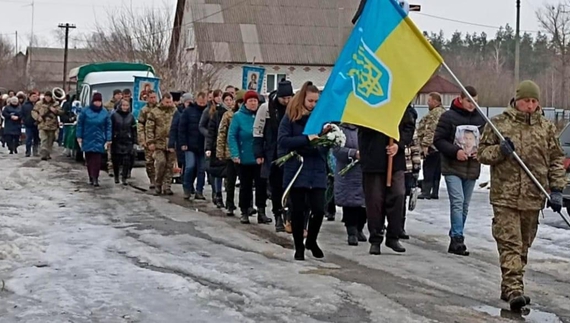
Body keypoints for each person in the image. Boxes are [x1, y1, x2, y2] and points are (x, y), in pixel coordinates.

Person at [478, 80, 566, 311]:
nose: (530, 105)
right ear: (517, 100)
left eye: (534, 101)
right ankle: (515, 289)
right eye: (526, 100)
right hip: (505, 196)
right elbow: (482, 153)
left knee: (524, 245)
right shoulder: (499, 124)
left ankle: (509, 285)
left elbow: (556, 159)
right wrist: (500, 151)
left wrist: (557, 189)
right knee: (510, 243)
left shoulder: (546, 128)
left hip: (533, 196)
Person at [434, 86, 486, 256]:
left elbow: (486, 141)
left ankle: (455, 234)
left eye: (475, 102)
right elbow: (439, 140)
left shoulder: (481, 119)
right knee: (457, 202)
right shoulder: (448, 117)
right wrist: (455, 152)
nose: (472, 105)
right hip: (452, 166)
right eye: (469, 101)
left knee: (464, 205)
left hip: (472, 168)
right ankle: (458, 238)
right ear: (461, 99)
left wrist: (482, 152)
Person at [277, 81, 327, 261]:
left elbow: (324, 143)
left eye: (316, 101)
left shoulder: (320, 118)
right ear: (302, 99)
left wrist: (327, 140)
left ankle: (311, 240)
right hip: (297, 168)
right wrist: (306, 140)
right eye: (310, 101)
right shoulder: (291, 117)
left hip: (317, 168)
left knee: (319, 209)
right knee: (298, 210)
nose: (313, 105)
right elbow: (283, 141)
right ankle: (299, 246)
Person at [358, 105, 415, 255]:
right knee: (375, 200)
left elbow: (408, 127)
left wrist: (399, 144)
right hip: (373, 158)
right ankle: (375, 238)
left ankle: (393, 235)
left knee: (398, 194)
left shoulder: (399, 100)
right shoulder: (367, 101)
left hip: (395, 160)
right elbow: (361, 125)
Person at [253, 79, 294, 232]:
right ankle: (277, 215)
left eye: (289, 98)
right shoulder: (266, 108)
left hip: (290, 152)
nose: (287, 101)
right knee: (276, 187)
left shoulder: (293, 107)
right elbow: (258, 131)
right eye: (284, 98)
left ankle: (288, 216)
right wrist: (259, 152)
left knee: (290, 187)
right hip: (273, 153)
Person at [228, 91, 272, 225]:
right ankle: (244, 211)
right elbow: (232, 136)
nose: (253, 103)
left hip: (259, 158)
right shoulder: (238, 117)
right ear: (245, 103)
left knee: (261, 185)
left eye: (255, 101)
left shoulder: (263, 115)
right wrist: (235, 154)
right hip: (243, 158)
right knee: (245, 186)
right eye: (250, 101)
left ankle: (261, 211)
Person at [333, 123, 367, 246]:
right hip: (348, 173)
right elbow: (337, 150)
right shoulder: (341, 130)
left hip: (364, 171)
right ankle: (351, 231)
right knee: (350, 202)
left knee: (364, 203)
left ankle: (360, 228)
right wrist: (353, 153)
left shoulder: (366, 128)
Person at [217, 90, 245, 216]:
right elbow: (222, 133)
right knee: (231, 179)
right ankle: (230, 203)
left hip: (245, 152)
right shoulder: (228, 115)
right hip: (230, 152)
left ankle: (246, 205)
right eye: (239, 102)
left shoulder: (248, 115)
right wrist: (220, 151)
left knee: (245, 180)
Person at [76, 93, 112, 187]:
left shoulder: (104, 112)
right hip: (87, 137)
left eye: (99, 101)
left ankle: (95, 177)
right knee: (89, 159)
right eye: (96, 101)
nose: (97, 103)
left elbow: (108, 126)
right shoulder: (85, 111)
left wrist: (108, 138)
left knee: (97, 160)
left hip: (99, 138)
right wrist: (79, 136)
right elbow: (80, 124)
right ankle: (91, 176)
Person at [179, 92, 208, 200]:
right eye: (200, 101)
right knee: (190, 166)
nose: (202, 104)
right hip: (190, 145)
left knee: (201, 169)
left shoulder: (208, 111)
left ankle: (199, 191)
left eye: (203, 102)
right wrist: (183, 143)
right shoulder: (188, 111)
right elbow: (182, 129)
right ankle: (187, 188)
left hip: (203, 145)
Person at [206, 92, 233, 208]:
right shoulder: (217, 114)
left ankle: (229, 199)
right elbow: (211, 132)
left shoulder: (234, 114)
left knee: (229, 174)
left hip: (230, 148)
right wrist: (209, 147)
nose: (228, 102)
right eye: (226, 100)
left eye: (230, 100)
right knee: (218, 172)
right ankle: (218, 194)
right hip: (217, 146)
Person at [146, 93, 177, 196]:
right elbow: (149, 128)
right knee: (161, 163)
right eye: (166, 102)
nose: (168, 104)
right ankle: (158, 183)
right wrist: (150, 142)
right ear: (162, 101)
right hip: (159, 143)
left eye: (170, 102)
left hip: (171, 143)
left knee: (169, 165)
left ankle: (167, 186)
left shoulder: (175, 112)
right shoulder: (154, 112)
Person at [417, 92, 445, 199]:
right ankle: (435, 191)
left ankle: (426, 191)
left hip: (432, 146)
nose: (428, 103)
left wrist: (425, 145)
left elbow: (430, 129)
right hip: (440, 146)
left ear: (435, 101)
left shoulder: (434, 113)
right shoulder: (443, 112)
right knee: (437, 169)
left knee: (428, 168)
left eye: (429, 101)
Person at [111, 99, 137, 185]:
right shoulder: (114, 116)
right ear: (120, 106)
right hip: (116, 140)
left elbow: (134, 129)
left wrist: (135, 141)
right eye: (123, 105)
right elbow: (111, 128)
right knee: (116, 160)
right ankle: (116, 176)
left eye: (127, 105)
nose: (125, 107)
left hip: (127, 140)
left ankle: (124, 177)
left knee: (127, 160)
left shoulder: (131, 116)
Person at [138, 91, 159, 189]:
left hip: (159, 138)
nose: (153, 99)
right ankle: (152, 179)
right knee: (149, 161)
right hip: (148, 138)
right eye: (151, 97)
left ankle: (160, 180)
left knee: (160, 161)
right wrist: (142, 139)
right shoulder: (144, 110)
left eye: (155, 97)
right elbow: (140, 125)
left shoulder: (160, 108)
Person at [32, 91, 62, 161]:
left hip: (52, 125)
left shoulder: (55, 104)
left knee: (50, 141)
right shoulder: (39, 103)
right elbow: (34, 111)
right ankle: (43, 154)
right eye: (46, 96)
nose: (47, 98)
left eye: (49, 97)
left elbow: (61, 112)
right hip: (42, 124)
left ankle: (47, 154)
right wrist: (37, 117)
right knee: (44, 139)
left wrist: (55, 111)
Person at [21, 91, 40, 157]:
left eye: (36, 96)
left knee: (36, 139)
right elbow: (22, 114)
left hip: (37, 124)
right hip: (28, 124)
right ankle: (28, 152)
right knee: (28, 138)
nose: (35, 98)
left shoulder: (39, 105)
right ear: (29, 97)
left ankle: (35, 151)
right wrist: (24, 120)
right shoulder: (25, 105)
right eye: (33, 97)